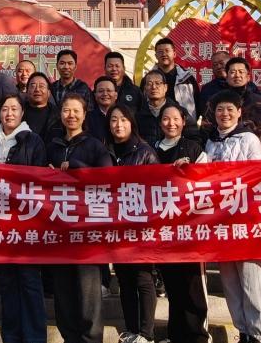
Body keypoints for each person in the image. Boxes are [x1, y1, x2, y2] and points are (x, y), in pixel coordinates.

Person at [0, 94, 48, 343]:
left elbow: (40, 180)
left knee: (29, 281)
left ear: (22, 113)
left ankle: (34, 337)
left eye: (14, 109)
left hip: (26, 223)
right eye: (5, 109)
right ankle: (11, 336)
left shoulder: (33, 141)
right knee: (7, 282)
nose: (9, 113)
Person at [203, 91, 261, 343]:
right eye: (220, 109)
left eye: (230, 109)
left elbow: (255, 175)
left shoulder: (249, 139)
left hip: (246, 220)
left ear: (239, 112)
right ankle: (242, 331)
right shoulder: (210, 142)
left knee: (251, 281)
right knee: (230, 283)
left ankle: (257, 334)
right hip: (220, 223)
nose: (225, 114)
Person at [45, 93, 110, 343]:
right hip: (59, 227)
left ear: (84, 115)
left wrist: (76, 167)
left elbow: (107, 178)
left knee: (88, 290)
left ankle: (91, 339)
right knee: (63, 290)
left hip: (86, 229)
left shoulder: (94, 145)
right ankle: (69, 337)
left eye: (76, 111)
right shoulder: (52, 145)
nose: (70, 115)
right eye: (66, 110)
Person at [153, 105, 209, 343]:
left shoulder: (194, 149)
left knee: (192, 285)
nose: (171, 123)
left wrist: (189, 172)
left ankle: (197, 335)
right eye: (166, 119)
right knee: (172, 284)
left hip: (190, 228)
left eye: (175, 119)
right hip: (163, 229)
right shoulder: (152, 149)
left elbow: (208, 182)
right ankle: (176, 334)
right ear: (160, 122)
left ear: (184, 121)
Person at [105, 105, 159, 343]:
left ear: (132, 123)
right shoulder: (105, 151)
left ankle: (146, 334)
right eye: (114, 120)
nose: (118, 125)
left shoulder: (145, 152)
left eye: (123, 120)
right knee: (124, 279)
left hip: (140, 225)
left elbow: (158, 188)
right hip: (115, 226)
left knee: (142, 278)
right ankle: (131, 329)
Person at [153, 38, 198, 123]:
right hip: (156, 125)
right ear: (156, 56)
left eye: (167, 51)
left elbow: (197, 103)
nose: (164, 54)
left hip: (185, 125)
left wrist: (189, 122)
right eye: (160, 52)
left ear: (174, 54)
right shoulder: (148, 80)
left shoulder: (187, 78)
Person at [135, 69, 176, 146]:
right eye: (149, 84)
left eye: (158, 83)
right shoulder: (137, 113)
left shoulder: (177, 111)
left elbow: (193, 136)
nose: (154, 87)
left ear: (165, 87)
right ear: (145, 88)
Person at [21, 72, 63, 142]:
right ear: (27, 91)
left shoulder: (58, 115)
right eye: (33, 86)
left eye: (41, 86)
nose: (37, 89)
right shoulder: (18, 113)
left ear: (49, 93)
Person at [86, 77, 117, 143]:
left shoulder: (125, 116)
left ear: (116, 95)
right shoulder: (87, 118)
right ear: (95, 95)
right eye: (101, 91)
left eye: (109, 90)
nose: (105, 94)